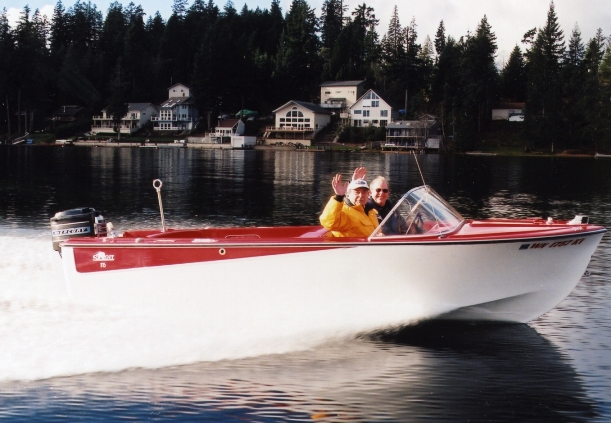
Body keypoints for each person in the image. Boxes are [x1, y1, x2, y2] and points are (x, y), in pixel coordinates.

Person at [319, 172, 379, 237]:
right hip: (355, 244)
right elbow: (329, 222)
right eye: (357, 192)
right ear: (348, 194)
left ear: (368, 194)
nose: (361, 195)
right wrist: (339, 197)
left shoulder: (369, 211)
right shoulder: (345, 212)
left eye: (364, 192)